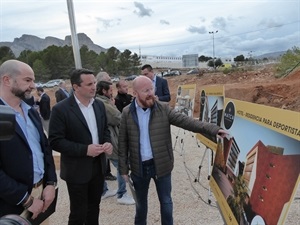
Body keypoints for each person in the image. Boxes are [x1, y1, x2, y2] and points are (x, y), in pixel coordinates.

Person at [118, 76, 227, 225]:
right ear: (135, 93)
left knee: (166, 203)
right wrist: (123, 169)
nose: (151, 93)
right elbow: (122, 142)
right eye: (146, 90)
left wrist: (214, 129)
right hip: (139, 169)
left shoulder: (163, 109)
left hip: (162, 166)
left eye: (152, 88)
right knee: (141, 206)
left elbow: (187, 122)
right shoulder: (126, 113)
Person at [48, 68, 113, 225]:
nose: (94, 87)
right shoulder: (60, 109)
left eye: (95, 83)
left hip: (98, 167)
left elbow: (104, 129)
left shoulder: (98, 105)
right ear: (76, 87)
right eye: (89, 84)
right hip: (76, 170)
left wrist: (107, 142)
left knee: (94, 208)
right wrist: (85, 150)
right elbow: (55, 141)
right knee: (78, 212)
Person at [0, 60, 57, 221]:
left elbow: (45, 148)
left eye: (33, 80)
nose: (33, 85)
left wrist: (51, 183)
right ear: (7, 80)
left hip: (41, 197)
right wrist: (25, 199)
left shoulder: (31, 112)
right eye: (27, 80)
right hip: (9, 205)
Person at [96, 80, 135, 205]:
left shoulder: (101, 101)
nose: (112, 93)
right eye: (110, 90)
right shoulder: (104, 103)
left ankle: (103, 190)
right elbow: (118, 117)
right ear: (104, 91)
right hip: (111, 138)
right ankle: (121, 194)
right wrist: (113, 105)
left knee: (101, 166)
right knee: (121, 165)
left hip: (105, 138)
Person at [96, 71, 117, 181]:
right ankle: (121, 192)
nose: (111, 82)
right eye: (108, 80)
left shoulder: (105, 100)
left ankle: (106, 176)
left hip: (107, 135)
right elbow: (116, 117)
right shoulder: (102, 102)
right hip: (107, 134)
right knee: (118, 163)